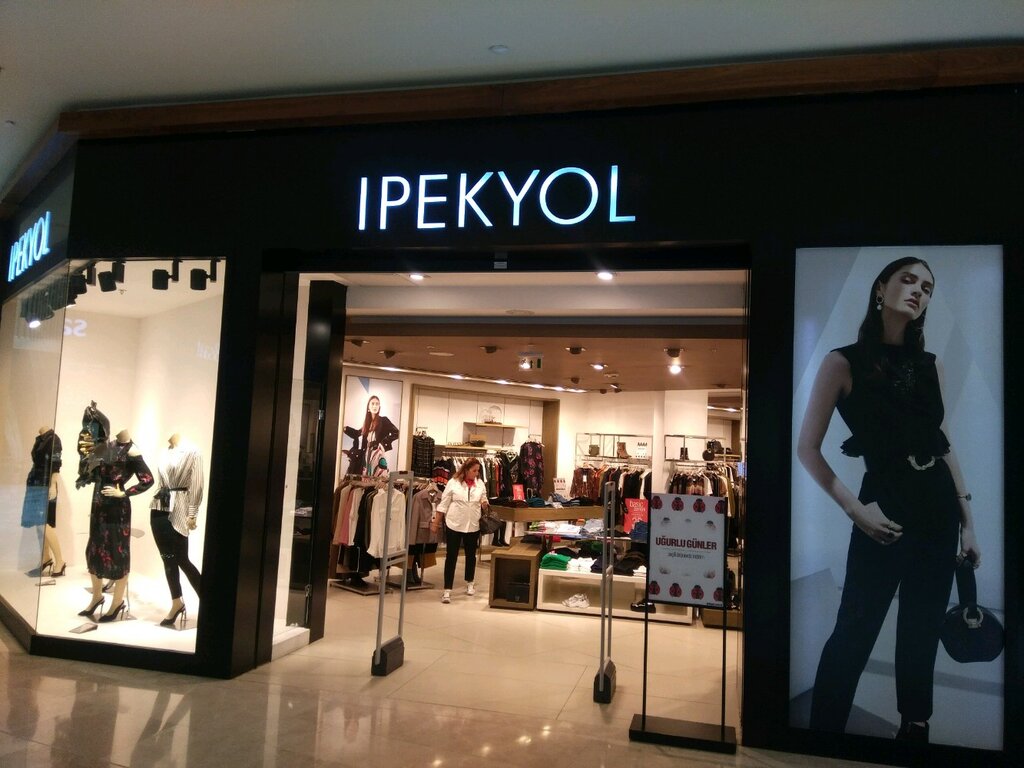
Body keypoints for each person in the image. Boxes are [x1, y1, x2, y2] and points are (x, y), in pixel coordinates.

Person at [797, 257, 981, 743]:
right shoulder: (842, 362)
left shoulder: (931, 365)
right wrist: (855, 510)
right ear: (881, 288)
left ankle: (914, 731)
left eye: (928, 287)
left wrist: (968, 521)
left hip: (938, 510)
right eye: (908, 279)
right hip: (882, 506)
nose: (919, 291)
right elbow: (807, 448)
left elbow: (943, 443)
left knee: (921, 630)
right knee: (855, 628)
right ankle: (822, 737)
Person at [79, 429, 154, 622]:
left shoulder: (132, 451)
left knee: (118, 552)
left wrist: (124, 493)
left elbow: (148, 479)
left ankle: (117, 602)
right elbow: (91, 471)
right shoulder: (107, 446)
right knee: (94, 550)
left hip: (117, 510)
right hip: (99, 504)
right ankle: (97, 597)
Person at [150, 433, 204, 628]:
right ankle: (176, 602)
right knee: (167, 558)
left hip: (179, 508)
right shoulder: (164, 452)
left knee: (182, 559)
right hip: (158, 508)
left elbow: (197, 485)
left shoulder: (192, 452)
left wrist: (192, 513)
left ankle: (208, 601)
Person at [436, 457, 490, 603]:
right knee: (451, 556)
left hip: (473, 525)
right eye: (474, 470)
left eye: (478, 471)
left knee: (471, 556)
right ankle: (447, 589)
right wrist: (436, 522)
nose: (477, 473)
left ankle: (470, 582)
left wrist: (484, 503)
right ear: (466, 470)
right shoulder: (453, 483)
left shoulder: (480, 484)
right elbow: (444, 503)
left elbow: (484, 498)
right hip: (454, 524)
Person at [23, 426, 66, 578]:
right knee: (38, 524)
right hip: (35, 483)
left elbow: (56, 463)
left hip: (45, 484)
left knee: (44, 523)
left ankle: (60, 561)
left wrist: (53, 485)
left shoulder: (54, 439)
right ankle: (46, 558)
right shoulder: (39, 439)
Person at [343, 395, 399, 477]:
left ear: (379, 407)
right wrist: (345, 428)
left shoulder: (383, 420)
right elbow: (357, 434)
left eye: (377, 404)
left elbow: (397, 433)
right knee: (367, 478)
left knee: (378, 478)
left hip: (377, 454)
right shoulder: (368, 424)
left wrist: (383, 444)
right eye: (372, 403)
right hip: (367, 455)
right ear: (368, 407)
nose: (375, 406)